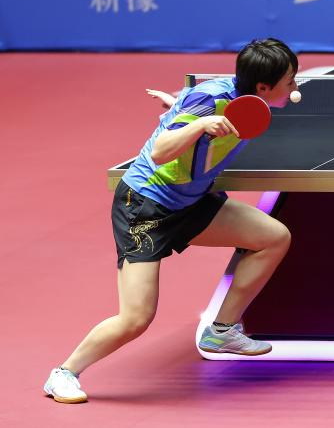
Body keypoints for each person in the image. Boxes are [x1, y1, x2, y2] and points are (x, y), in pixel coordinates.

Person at [43, 38, 300, 404]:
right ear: (263, 86)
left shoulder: (237, 99)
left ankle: (221, 331)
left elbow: (187, 106)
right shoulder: (210, 101)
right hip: (145, 207)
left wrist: (176, 108)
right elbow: (162, 151)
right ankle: (63, 373)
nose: (294, 86)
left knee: (273, 237)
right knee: (136, 318)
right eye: (290, 80)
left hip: (191, 202)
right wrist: (199, 123)